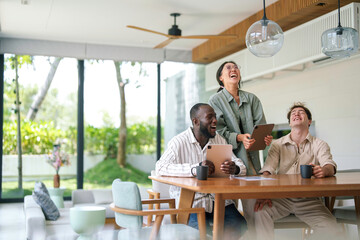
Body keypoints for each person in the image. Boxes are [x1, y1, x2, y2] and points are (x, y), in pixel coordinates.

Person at [156, 103, 247, 239]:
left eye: (215, 116)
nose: (215, 120)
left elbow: (242, 167)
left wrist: (235, 168)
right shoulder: (178, 142)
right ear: (196, 121)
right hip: (192, 204)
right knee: (198, 235)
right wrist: (195, 169)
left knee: (240, 225)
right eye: (210, 117)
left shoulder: (219, 140)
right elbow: (160, 167)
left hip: (219, 202)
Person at [253, 102, 341, 240]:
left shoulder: (320, 144)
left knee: (332, 227)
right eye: (293, 113)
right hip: (281, 198)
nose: (296, 114)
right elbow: (267, 170)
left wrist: (324, 171)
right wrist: (264, 192)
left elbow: (329, 165)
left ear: (309, 121)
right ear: (289, 123)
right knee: (260, 212)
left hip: (310, 200)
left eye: (301, 112)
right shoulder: (277, 144)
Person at [208, 61, 272, 234]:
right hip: (227, 166)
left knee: (256, 212)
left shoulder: (252, 99)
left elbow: (261, 127)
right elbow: (217, 132)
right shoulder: (215, 100)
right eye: (228, 68)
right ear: (221, 78)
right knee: (230, 218)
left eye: (235, 67)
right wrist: (239, 137)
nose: (233, 69)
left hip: (252, 167)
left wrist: (263, 139)